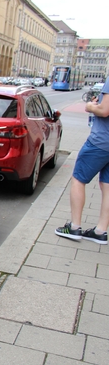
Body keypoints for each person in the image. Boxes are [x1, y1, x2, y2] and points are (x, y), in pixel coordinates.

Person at [55, 80, 109, 245]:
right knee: (107, 185)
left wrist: (91, 106)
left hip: (101, 141)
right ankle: (100, 231)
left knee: (78, 179)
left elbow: (104, 110)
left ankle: (74, 227)